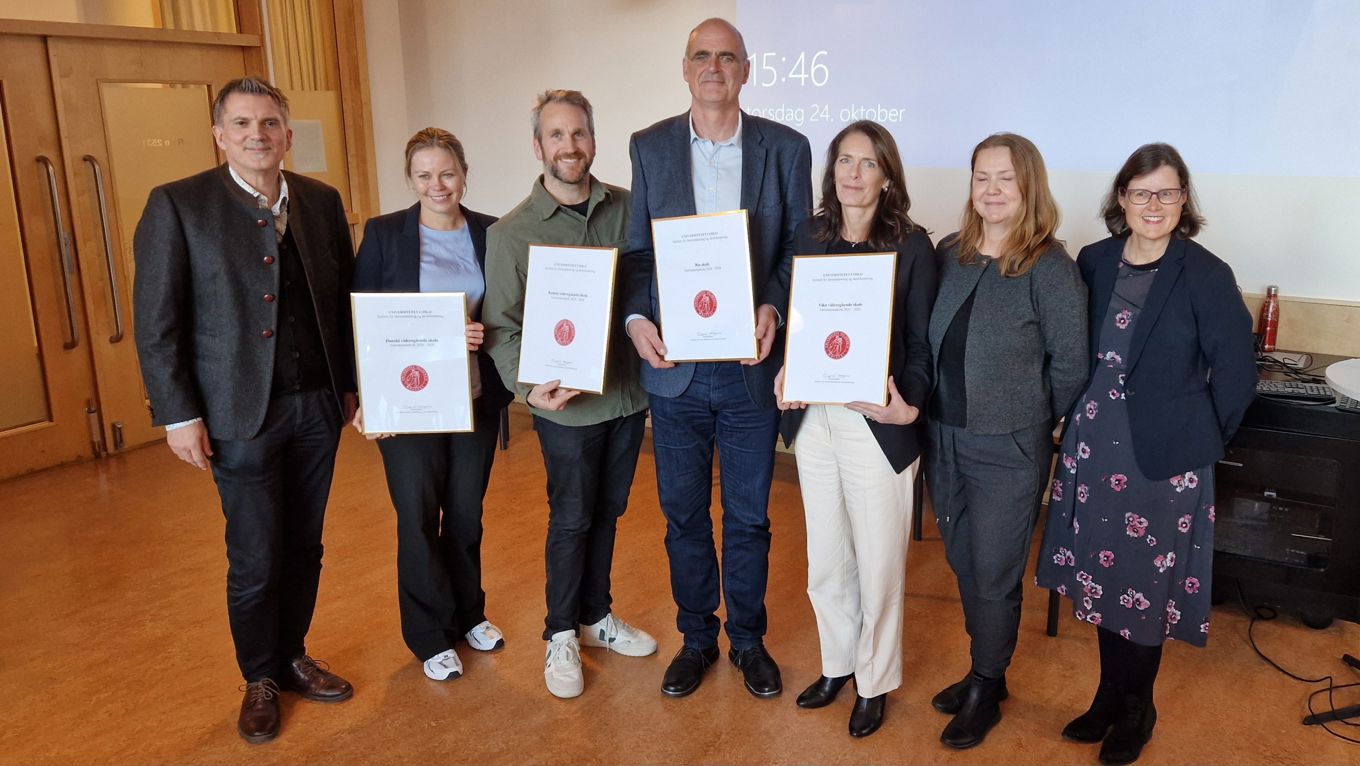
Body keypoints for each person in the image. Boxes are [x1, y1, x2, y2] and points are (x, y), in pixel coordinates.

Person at [132, 77, 356, 744]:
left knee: (306, 545)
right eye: (241, 123)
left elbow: (344, 303)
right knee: (256, 556)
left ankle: (293, 655)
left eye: (268, 123)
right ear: (219, 135)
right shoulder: (178, 205)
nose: (257, 134)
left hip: (317, 407)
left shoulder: (320, 201)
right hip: (237, 415)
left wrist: (350, 386)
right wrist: (178, 415)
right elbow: (158, 321)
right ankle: (260, 677)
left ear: (286, 134)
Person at [1035, 143, 1256, 765]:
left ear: (1183, 200)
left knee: (1144, 587)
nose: (1153, 204)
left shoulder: (1205, 273)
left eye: (1167, 192)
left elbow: (1237, 373)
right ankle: (1108, 697)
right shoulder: (1095, 260)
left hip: (1165, 462)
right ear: (1122, 198)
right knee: (1103, 577)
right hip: (1095, 448)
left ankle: (1139, 708)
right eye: (1141, 193)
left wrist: (1199, 440)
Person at [619, 17, 812, 699]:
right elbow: (638, 253)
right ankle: (697, 638)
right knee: (683, 517)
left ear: (746, 70)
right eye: (701, 56)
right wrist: (636, 320)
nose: (713, 67)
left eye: (727, 57)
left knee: (750, 517)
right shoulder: (649, 147)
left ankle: (749, 641)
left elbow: (798, 248)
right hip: (675, 371)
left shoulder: (786, 148)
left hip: (749, 369)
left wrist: (774, 307)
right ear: (685, 68)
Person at [482, 90, 656, 700]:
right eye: (557, 135)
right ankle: (560, 632)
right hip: (565, 408)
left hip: (627, 397)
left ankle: (595, 616)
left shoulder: (630, 209)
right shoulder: (511, 233)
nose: (570, 146)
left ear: (593, 141)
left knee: (609, 511)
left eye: (579, 133)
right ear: (538, 147)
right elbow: (501, 327)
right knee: (573, 516)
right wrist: (530, 390)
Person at [924, 132, 1088, 749]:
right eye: (982, 177)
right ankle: (982, 669)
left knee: (994, 571)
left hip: (1009, 447)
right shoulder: (951, 253)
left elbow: (1071, 364)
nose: (992, 190)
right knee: (963, 560)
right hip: (944, 435)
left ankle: (988, 684)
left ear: (1029, 187)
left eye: (1006, 178)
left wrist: (1035, 419)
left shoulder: (1050, 267)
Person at [773, 121, 936, 737]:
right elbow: (798, 325)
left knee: (879, 563)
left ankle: (874, 680)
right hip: (816, 417)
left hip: (878, 423)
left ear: (886, 176)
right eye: (844, 160)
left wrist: (908, 405)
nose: (853, 173)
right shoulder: (809, 235)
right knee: (827, 557)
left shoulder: (911, 246)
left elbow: (920, 342)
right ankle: (837, 664)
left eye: (868, 163)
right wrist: (787, 369)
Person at [350, 128, 514, 682]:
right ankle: (428, 635)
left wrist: (483, 333)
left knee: (466, 513)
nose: (437, 185)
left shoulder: (492, 232)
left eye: (447, 173)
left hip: (474, 399)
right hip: (407, 402)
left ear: (464, 174)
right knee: (418, 516)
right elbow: (363, 319)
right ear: (410, 179)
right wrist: (367, 397)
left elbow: (508, 310)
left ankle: (469, 615)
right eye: (424, 175)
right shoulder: (384, 234)